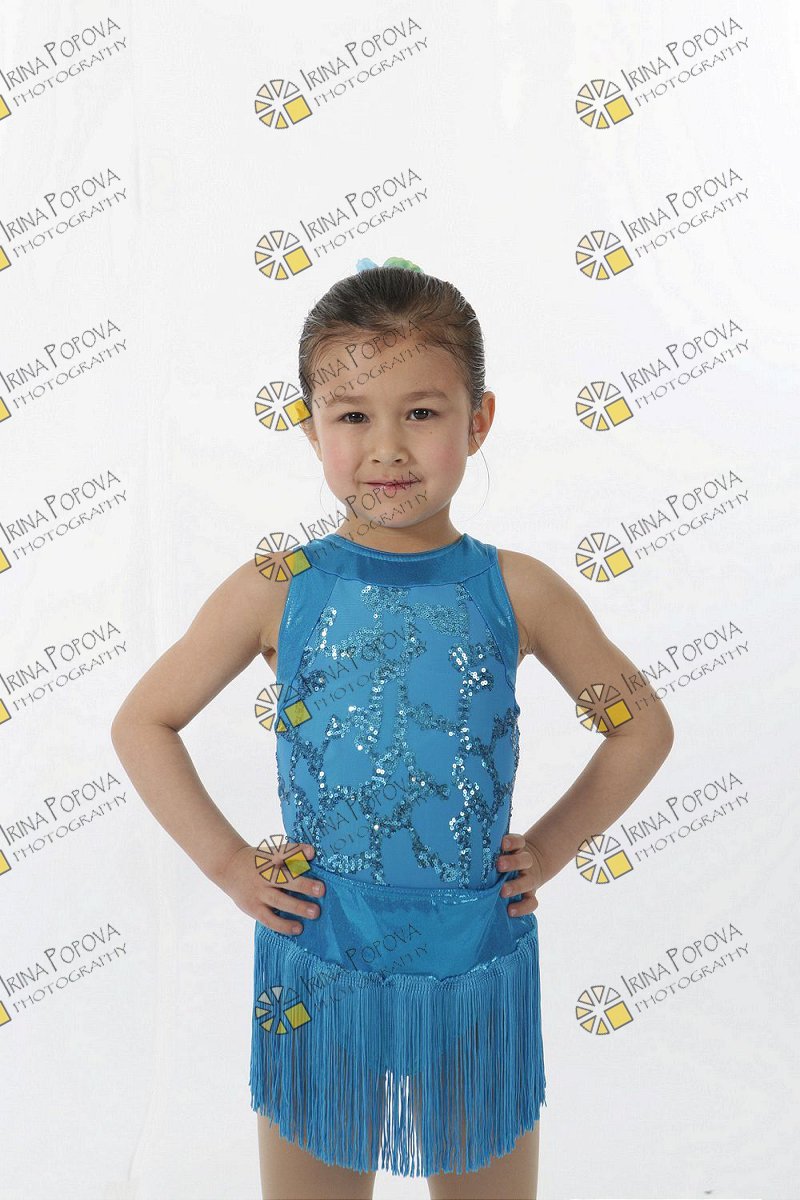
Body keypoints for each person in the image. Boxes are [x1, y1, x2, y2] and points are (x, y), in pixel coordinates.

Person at [110, 259, 675, 1200]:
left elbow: (639, 727)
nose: (387, 448)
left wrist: (551, 848)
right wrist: (230, 865)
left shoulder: (520, 589)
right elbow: (145, 720)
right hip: (319, 953)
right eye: (351, 416)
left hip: (472, 960)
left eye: (420, 412)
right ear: (311, 428)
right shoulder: (278, 587)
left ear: (477, 420)